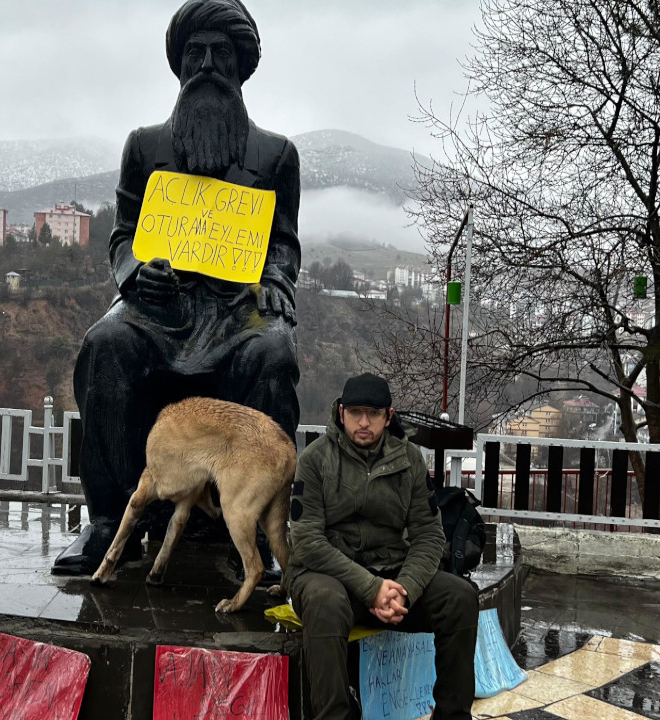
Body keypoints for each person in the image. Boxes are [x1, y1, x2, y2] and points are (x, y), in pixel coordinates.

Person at [54, 0, 301, 575]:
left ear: (241, 64)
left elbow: (284, 243)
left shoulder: (277, 154)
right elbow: (123, 235)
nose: (209, 65)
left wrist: (274, 281)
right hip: (158, 310)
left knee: (274, 351)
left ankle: (256, 528)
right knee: (105, 344)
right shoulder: (143, 146)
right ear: (180, 64)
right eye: (196, 53)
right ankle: (107, 522)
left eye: (222, 53)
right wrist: (136, 273)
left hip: (236, 309)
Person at [288, 373, 478, 720]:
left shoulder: (408, 459)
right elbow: (306, 541)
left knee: (460, 597)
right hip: (329, 575)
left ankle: (453, 715)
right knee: (325, 602)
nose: (364, 422)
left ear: (388, 416)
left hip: (392, 572)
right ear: (340, 412)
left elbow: (429, 534)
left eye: (373, 413)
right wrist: (370, 588)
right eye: (356, 412)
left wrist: (403, 590)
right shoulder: (315, 459)